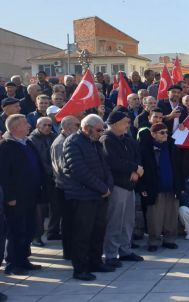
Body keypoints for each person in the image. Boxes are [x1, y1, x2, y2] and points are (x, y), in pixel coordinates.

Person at [63, 114, 114, 281]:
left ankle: (95, 262)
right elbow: (79, 170)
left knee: (98, 231)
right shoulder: (73, 142)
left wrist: (108, 186)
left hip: (99, 196)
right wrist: (102, 188)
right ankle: (80, 268)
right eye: (99, 130)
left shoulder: (94, 142)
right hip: (82, 196)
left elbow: (105, 166)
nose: (101, 132)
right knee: (82, 234)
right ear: (86, 128)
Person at [0, 114, 44, 275]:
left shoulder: (28, 143)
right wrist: (10, 197)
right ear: (15, 128)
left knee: (29, 229)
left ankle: (24, 259)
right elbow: (4, 175)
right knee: (15, 230)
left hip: (30, 195)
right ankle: (13, 263)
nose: (29, 126)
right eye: (25, 124)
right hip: (16, 198)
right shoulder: (6, 147)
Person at [100, 111, 144, 267]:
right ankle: (111, 254)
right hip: (117, 185)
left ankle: (125, 250)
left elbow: (137, 156)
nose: (128, 125)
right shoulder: (106, 139)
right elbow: (112, 162)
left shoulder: (127, 139)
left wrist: (136, 170)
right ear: (114, 124)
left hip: (130, 185)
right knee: (115, 221)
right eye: (125, 122)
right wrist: (134, 168)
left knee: (128, 221)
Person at [139, 123, 181, 252]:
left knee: (171, 216)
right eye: (162, 133)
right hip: (154, 188)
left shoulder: (172, 147)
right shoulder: (145, 149)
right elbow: (141, 170)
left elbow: (179, 168)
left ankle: (169, 240)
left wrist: (180, 186)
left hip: (171, 187)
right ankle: (154, 241)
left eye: (166, 132)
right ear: (153, 134)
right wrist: (142, 187)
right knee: (154, 217)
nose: (165, 135)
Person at [50, 115, 80, 259]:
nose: (79, 128)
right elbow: (63, 169)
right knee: (68, 222)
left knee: (72, 222)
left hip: (70, 187)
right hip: (65, 188)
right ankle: (69, 252)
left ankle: (73, 250)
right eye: (77, 125)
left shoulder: (68, 140)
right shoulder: (60, 143)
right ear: (68, 127)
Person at [28, 117, 57, 247]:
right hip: (41, 178)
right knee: (40, 210)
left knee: (56, 206)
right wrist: (51, 171)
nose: (47, 127)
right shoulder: (32, 140)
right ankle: (36, 236)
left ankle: (53, 231)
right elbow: (39, 160)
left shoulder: (53, 136)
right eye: (44, 125)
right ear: (37, 126)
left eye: (50, 125)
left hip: (53, 177)